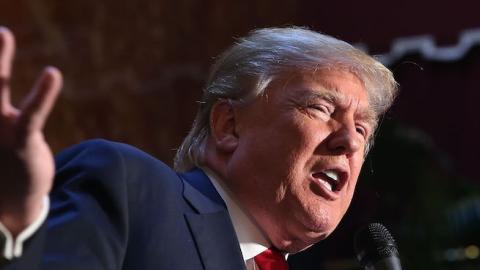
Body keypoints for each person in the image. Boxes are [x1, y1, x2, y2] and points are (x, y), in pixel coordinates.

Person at [0, 25, 397, 269]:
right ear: (228, 125)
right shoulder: (131, 190)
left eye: (362, 130)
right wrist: (16, 223)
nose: (349, 141)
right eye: (321, 108)